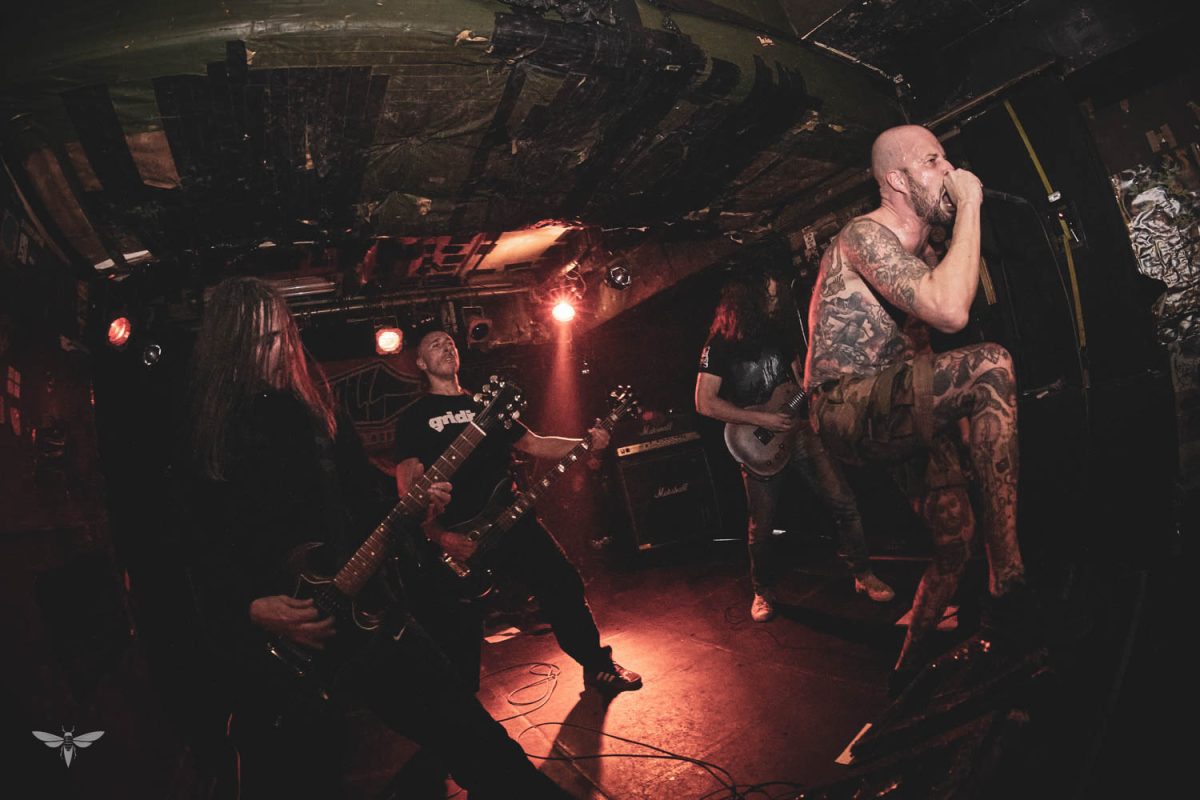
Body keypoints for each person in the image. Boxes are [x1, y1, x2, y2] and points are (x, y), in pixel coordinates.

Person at [181, 276, 571, 798]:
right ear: (230, 348)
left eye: (283, 335)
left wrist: (414, 503)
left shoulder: (313, 406)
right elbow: (191, 548)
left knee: (473, 735)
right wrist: (247, 608)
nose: (280, 350)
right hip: (286, 643)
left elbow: (362, 494)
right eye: (264, 340)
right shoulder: (205, 433)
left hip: (368, 610)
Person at [804, 124, 1031, 692]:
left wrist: (964, 432)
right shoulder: (864, 235)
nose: (949, 171)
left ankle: (906, 669)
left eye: (947, 159)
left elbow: (924, 351)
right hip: (845, 404)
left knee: (955, 541)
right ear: (898, 180)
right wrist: (971, 202)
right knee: (992, 363)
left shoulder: (923, 253)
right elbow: (950, 310)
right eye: (934, 161)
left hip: (895, 402)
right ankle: (1009, 580)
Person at [393, 323, 641, 695]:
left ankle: (597, 665)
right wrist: (441, 537)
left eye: (449, 341)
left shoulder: (484, 405)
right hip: (461, 539)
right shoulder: (414, 418)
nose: (445, 345)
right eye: (434, 344)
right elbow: (407, 492)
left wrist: (587, 442)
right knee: (459, 630)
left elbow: (535, 443)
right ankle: (463, 710)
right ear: (420, 363)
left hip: (512, 519)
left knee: (562, 583)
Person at [695, 267, 895, 623]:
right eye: (769, 291)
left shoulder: (778, 332)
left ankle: (863, 573)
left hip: (800, 431)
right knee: (761, 526)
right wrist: (763, 419)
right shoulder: (719, 345)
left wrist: (819, 394)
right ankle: (762, 591)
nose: (775, 295)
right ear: (750, 297)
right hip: (757, 443)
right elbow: (704, 403)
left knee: (844, 502)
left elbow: (801, 381)